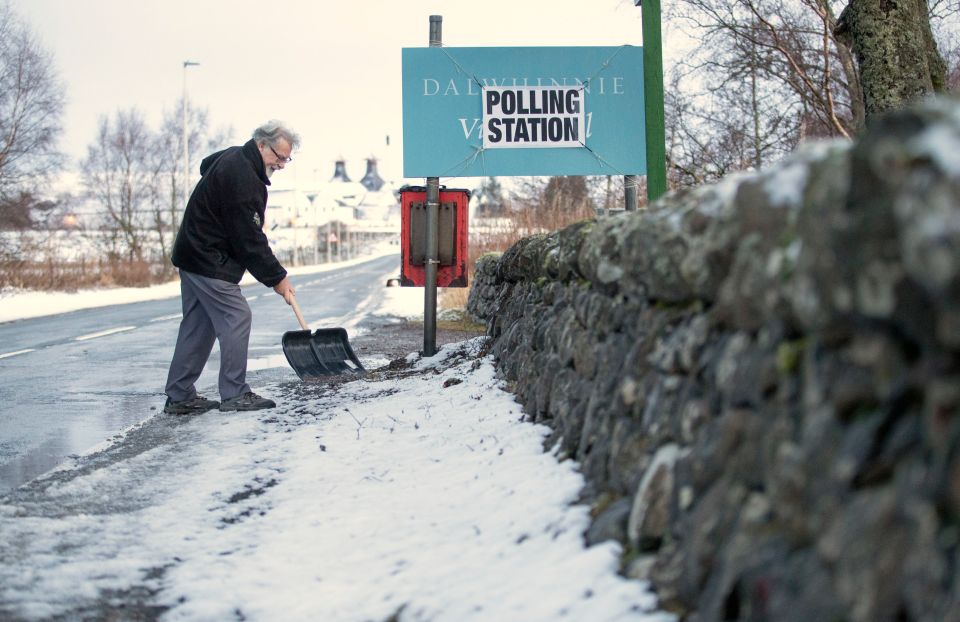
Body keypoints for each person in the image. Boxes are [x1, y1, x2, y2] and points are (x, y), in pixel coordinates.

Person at [163, 121, 299, 414]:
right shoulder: (244, 177)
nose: (282, 164)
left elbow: (205, 165)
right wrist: (278, 278)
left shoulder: (233, 156)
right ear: (261, 144)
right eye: (278, 156)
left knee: (199, 325)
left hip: (192, 253)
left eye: (287, 158)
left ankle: (179, 395)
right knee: (237, 316)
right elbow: (248, 238)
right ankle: (235, 392)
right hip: (208, 258)